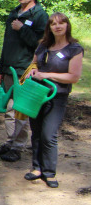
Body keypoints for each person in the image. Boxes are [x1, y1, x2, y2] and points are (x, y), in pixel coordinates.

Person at [0, 0, 49, 162]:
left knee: (19, 109)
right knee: (8, 109)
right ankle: (9, 142)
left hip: (26, 68)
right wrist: (0, 69)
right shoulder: (14, 13)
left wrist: (22, 28)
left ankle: (18, 147)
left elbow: (41, 44)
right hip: (9, 67)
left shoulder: (40, 15)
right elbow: (8, 44)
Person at [24, 13, 83, 188]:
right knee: (36, 132)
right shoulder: (43, 46)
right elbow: (34, 64)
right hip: (36, 94)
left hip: (57, 96)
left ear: (67, 25)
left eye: (61, 23)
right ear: (49, 27)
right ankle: (37, 168)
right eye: (54, 24)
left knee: (48, 134)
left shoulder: (74, 48)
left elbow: (74, 77)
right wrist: (31, 72)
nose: (57, 26)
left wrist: (47, 75)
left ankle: (49, 172)